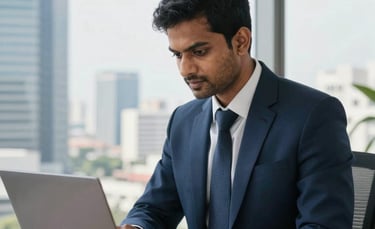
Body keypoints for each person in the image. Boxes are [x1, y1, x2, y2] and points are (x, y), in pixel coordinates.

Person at [119, 0, 354, 228]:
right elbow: (154, 209)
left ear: (241, 41)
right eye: (178, 55)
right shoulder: (183, 121)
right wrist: (136, 226)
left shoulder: (313, 115)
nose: (185, 69)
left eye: (199, 52)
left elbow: (322, 224)